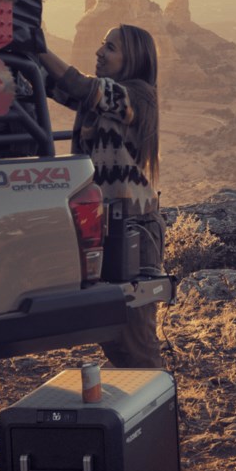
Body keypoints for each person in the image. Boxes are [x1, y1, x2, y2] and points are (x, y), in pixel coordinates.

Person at [38, 25, 166, 368]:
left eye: (110, 48)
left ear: (133, 59)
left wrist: (38, 48)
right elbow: (53, 86)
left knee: (138, 342)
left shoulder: (137, 96)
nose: (99, 52)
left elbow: (82, 86)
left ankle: (162, 412)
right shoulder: (103, 100)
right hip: (109, 227)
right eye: (101, 43)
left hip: (135, 231)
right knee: (113, 335)